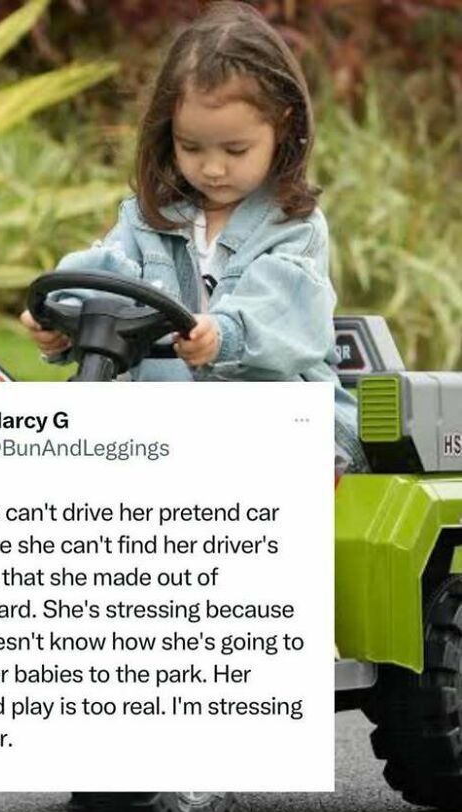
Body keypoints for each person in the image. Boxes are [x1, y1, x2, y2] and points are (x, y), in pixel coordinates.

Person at [20, 0, 368, 474]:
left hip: (276, 420)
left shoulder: (293, 228)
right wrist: (65, 319)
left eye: (235, 149)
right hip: (171, 426)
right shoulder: (146, 220)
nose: (213, 168)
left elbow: (283, 314)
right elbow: (105, 278)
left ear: (283, 126)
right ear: (169, 133)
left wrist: (223, 336)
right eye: (192, 147)